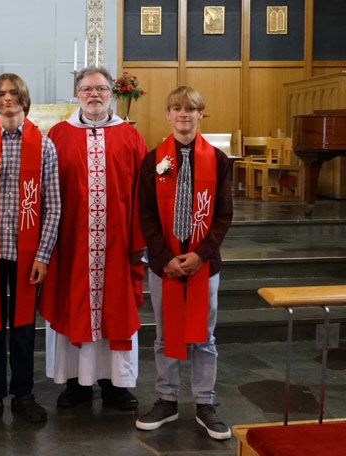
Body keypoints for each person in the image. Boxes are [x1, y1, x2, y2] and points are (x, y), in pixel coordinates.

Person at [38, 66, 147, 410]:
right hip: (72, 245)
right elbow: (44, 191)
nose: (94, 95)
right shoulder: (58, 134)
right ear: (77, 94)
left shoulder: (130, 137)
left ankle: (115, 384)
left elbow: (143, 194)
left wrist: (138, 242)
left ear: (112, 92)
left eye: (100, 88)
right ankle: (75, 384)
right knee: (73, 308)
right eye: (87, 89)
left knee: (116, 310)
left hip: (117, 245)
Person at [0, 73, 61, 426]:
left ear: (24, 98)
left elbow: (53, 205)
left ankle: (23, 394)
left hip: (26, 254)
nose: (7, 98)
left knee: (21, 330)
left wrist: (42, 255)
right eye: (1, 93)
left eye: (14, 92)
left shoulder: (44, 145)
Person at [136, 86, 233, 440]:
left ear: (200, 114)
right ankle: (166, 398)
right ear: (167, 114)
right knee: (165, 336)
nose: (183, 114)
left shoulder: (218, 161)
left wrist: (200, 254)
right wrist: (164, 258)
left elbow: (223, 215)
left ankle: (205, 402)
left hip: (204, 264)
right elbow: (145, 214)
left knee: (204, 337)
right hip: (165, 265)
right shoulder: (153, 160)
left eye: (190, 109)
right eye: (176, 108)